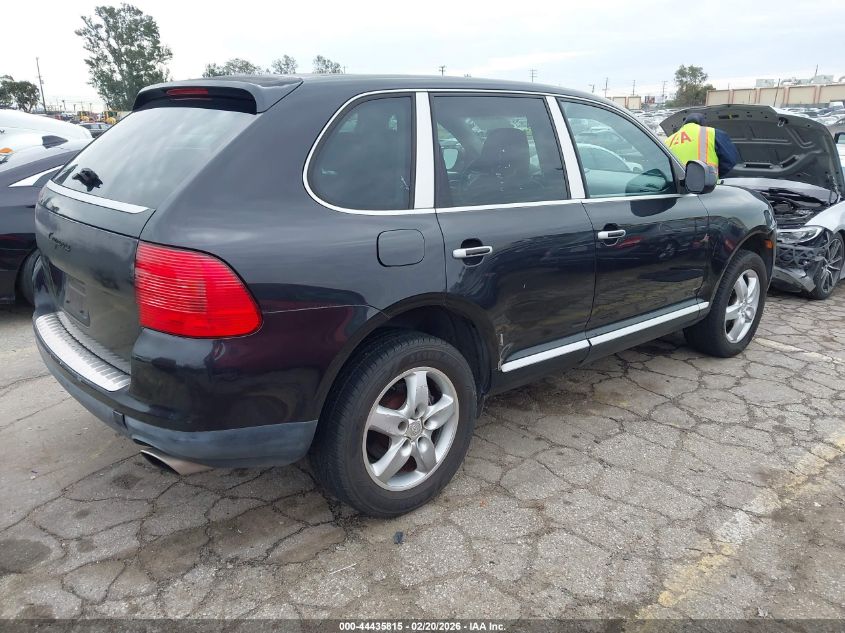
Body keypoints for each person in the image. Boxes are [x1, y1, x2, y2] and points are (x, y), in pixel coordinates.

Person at [665, 112, 740, 178]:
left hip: (676, 188)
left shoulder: (668, 140)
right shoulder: (712, 133)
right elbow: (730, 161)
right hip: (704, 187)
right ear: (703, 123)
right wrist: (713, 176)